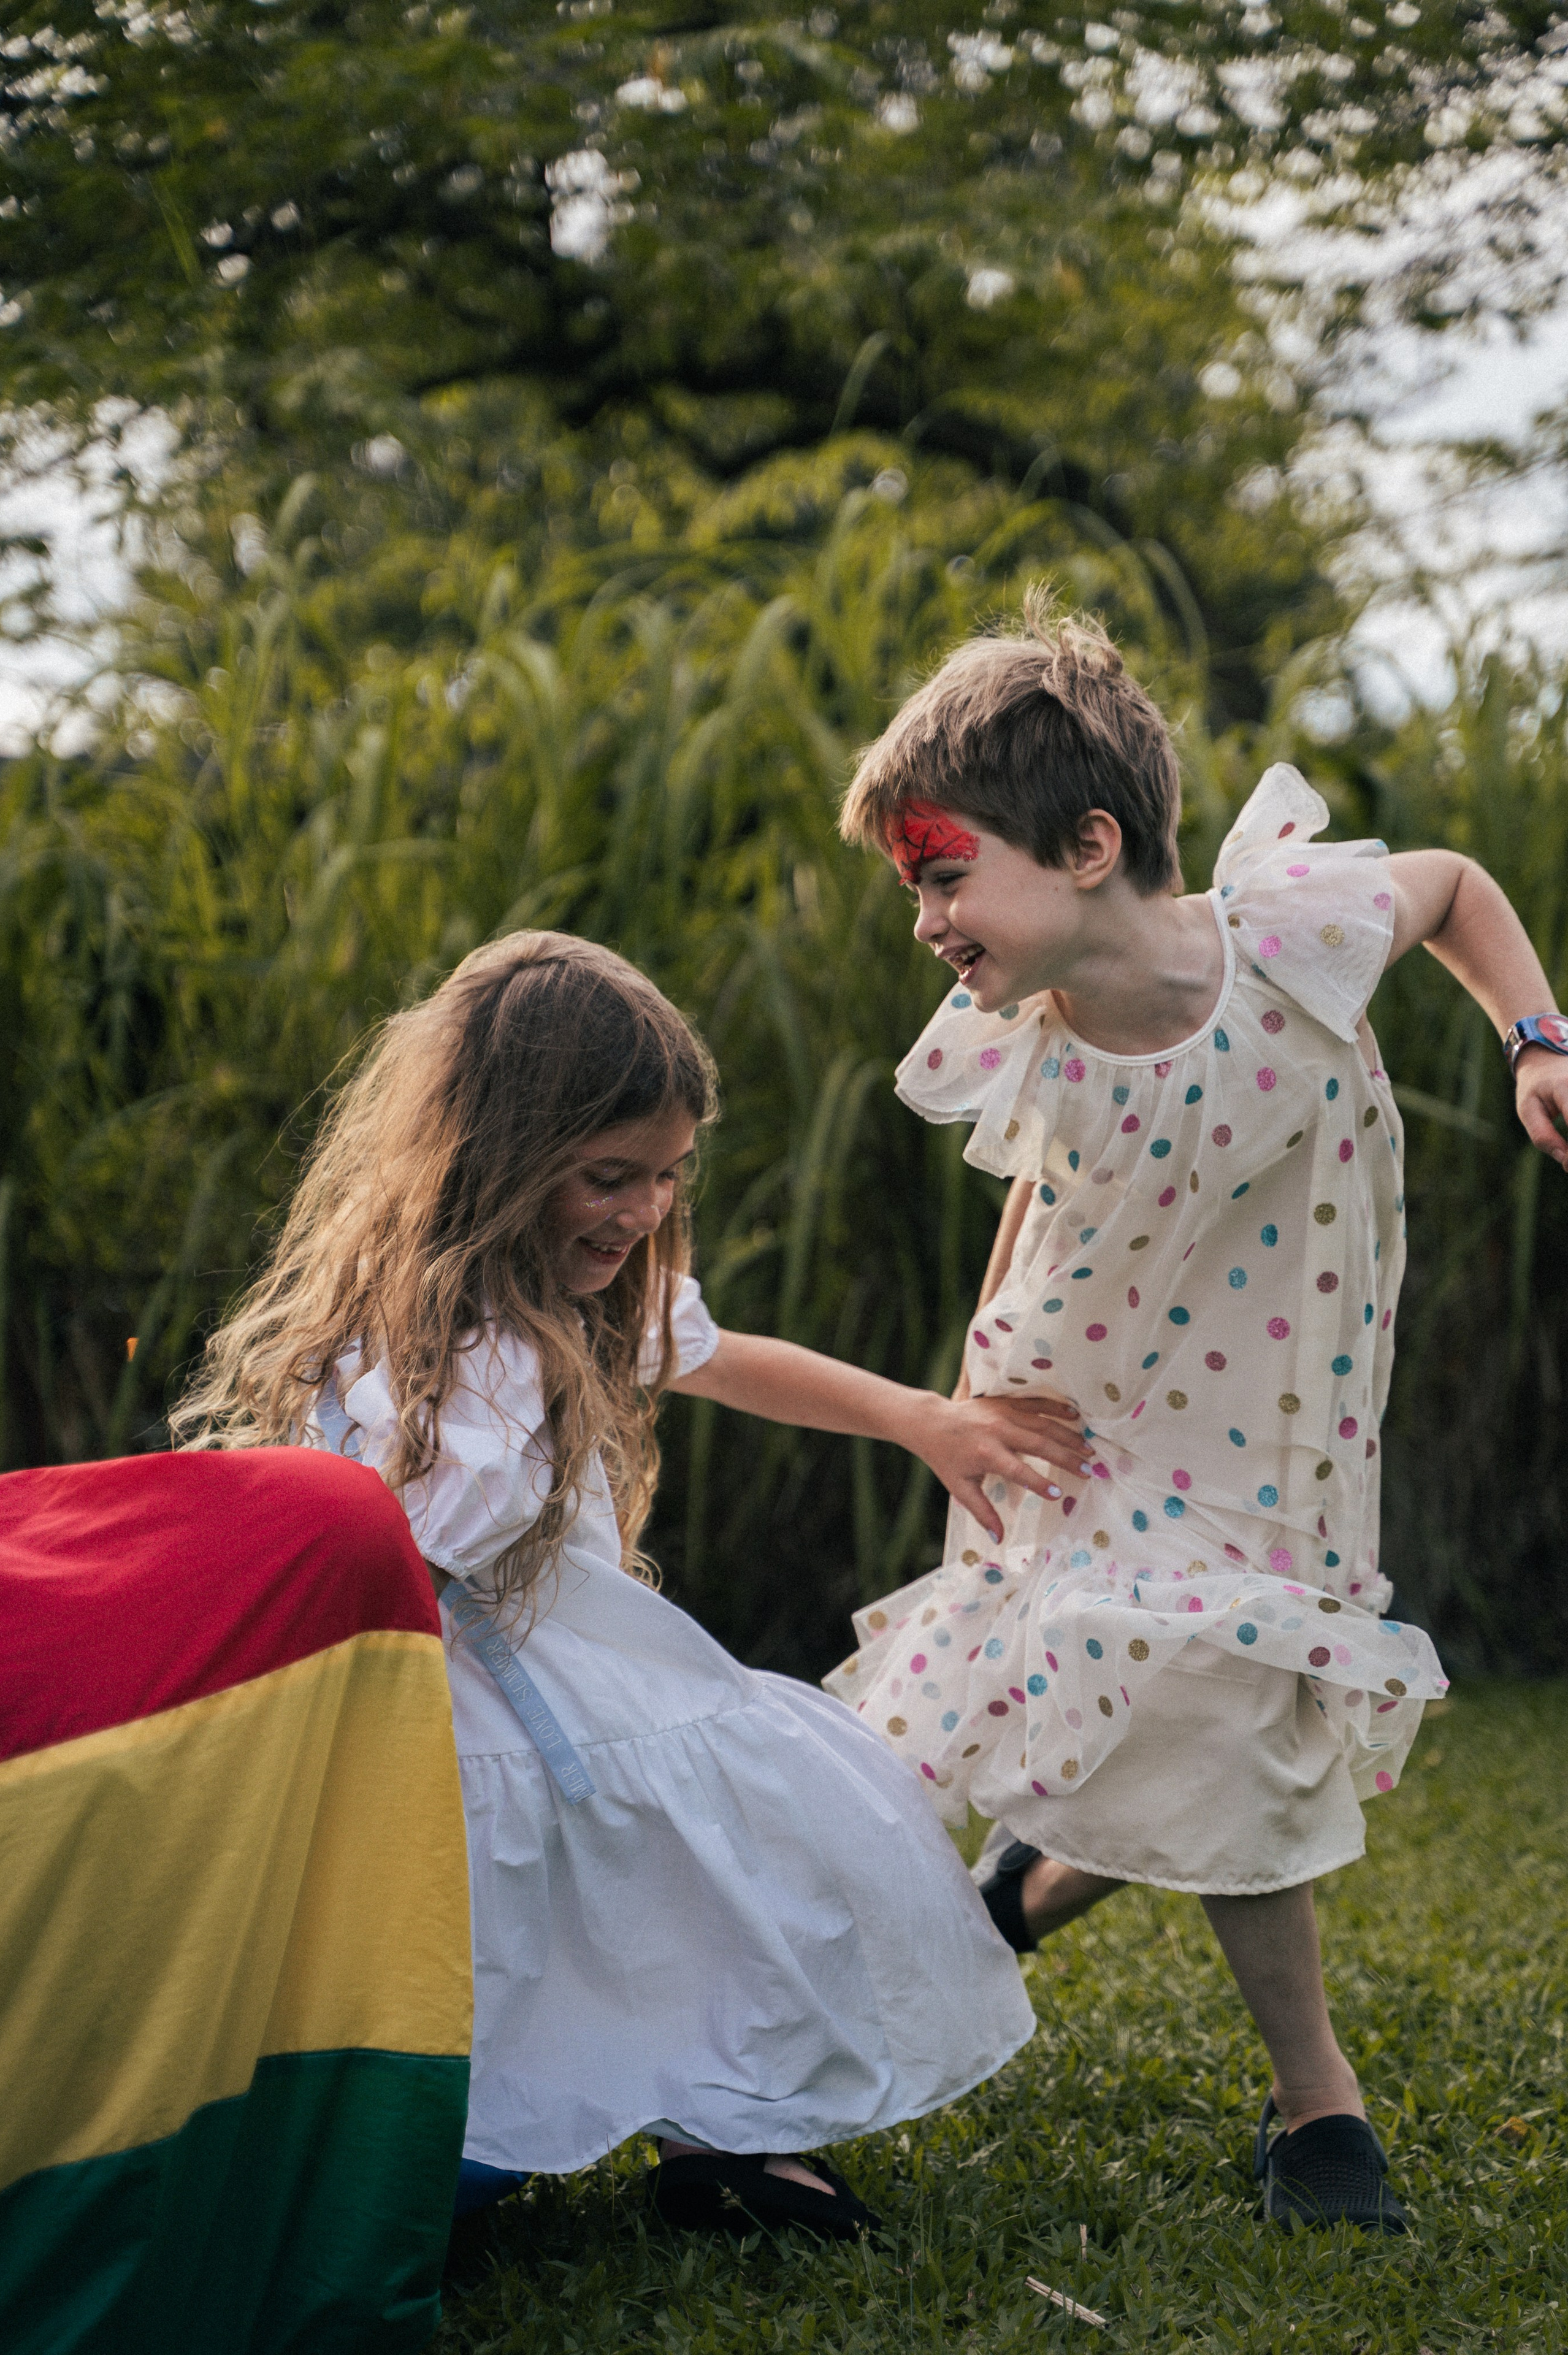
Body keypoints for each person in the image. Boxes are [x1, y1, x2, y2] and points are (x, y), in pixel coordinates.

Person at [827, 593, 1568, 2235]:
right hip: (1085, 1415)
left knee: (1224, 1704)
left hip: (1277, 1399)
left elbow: (1455, 887)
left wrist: (1537, 1041)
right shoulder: (1028, 1033)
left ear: (1089, 844)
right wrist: (977, 1388)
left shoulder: (1292, 930)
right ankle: (1323, 2111)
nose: (927, 918)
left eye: (945, 872)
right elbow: (1037, 1209)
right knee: (1112, 1677)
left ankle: (1033, 1881)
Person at [172, 933, 1068, 2249]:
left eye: (666, 1177)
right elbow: (423, 1533)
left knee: (725, 1873)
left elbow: (723, 1355)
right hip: (466, 1711)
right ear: (494, 1160)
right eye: (607, 1178)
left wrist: (922, 1419)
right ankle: (469, 2162)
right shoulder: (442, 1333)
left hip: (583, 1679)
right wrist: (533, 1373)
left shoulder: (574, 1296)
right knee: (537, 1941)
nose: (643, 1211)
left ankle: (732, 2137)